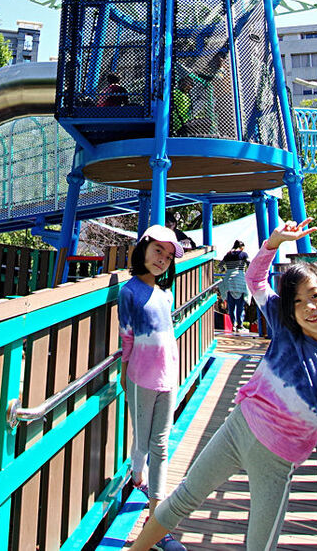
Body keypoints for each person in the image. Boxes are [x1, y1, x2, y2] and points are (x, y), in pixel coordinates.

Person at [128, 219, 317, 551]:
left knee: (260, 540)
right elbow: (255, 280)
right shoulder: (286, 327)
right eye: (297, 302)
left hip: (278, 455)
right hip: (238, 426)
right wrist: (272, 244)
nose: (308, 308)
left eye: (315, 296)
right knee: (184, 496)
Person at [120, 224, 186, 550]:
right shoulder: (129, 292)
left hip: (167, 378)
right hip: (140, 377)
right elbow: (127, 336)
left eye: (169, 255)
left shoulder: (166, 294)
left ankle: (155, 519)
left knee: (161, 444)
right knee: (142, 441)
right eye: (158, 250)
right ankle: (136, 476)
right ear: (143, 249)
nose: (163, 259)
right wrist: (123, 371)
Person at [220, 241, 249, 334]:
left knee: (231, 306)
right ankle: (240, 325)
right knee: (240, 306)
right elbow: (249, 263)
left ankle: (233, 325)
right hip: (240, 279)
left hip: (229, 281)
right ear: (242, 247)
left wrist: (226, 270)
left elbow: (220, 266)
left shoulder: (228, 255)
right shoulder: (243, 254)